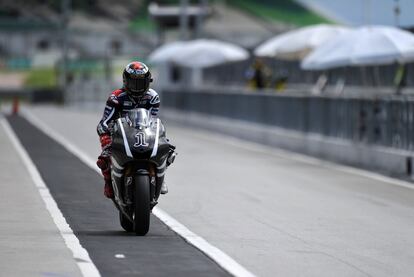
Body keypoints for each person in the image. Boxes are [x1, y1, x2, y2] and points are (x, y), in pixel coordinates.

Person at [96, 61, 175, 199]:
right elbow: (104, 122)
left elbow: (153, 120)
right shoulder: (116, 97)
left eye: (141, 82)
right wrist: (106, 132)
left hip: (144, 132)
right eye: (134, 82)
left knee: (167, 149)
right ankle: (108, 181)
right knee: (104, 159)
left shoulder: (153, 97)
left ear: (148, 81)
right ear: (126, 81)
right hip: (120, 133)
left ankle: (161, 177)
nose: (137, 87)